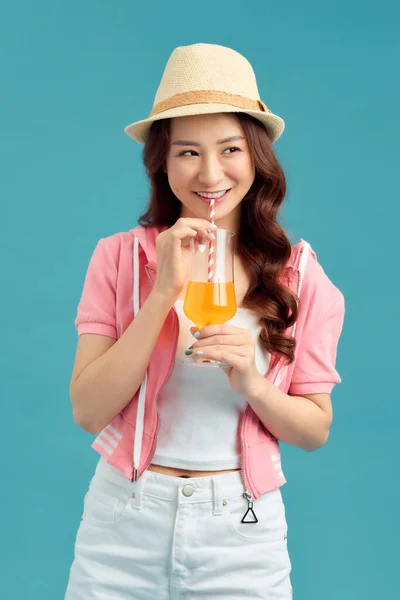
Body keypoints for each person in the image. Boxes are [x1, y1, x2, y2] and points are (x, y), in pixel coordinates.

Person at [64, 43, 345, 599]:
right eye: (188, 152)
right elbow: (87, 410)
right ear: (163, 164)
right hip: (122, 520)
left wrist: (251, 383)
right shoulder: (119, 258)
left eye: (230, 149)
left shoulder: (300, 276)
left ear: (256, 156)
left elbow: (314, 430)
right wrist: (162, 293)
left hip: (241, 531)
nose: (210, 172)